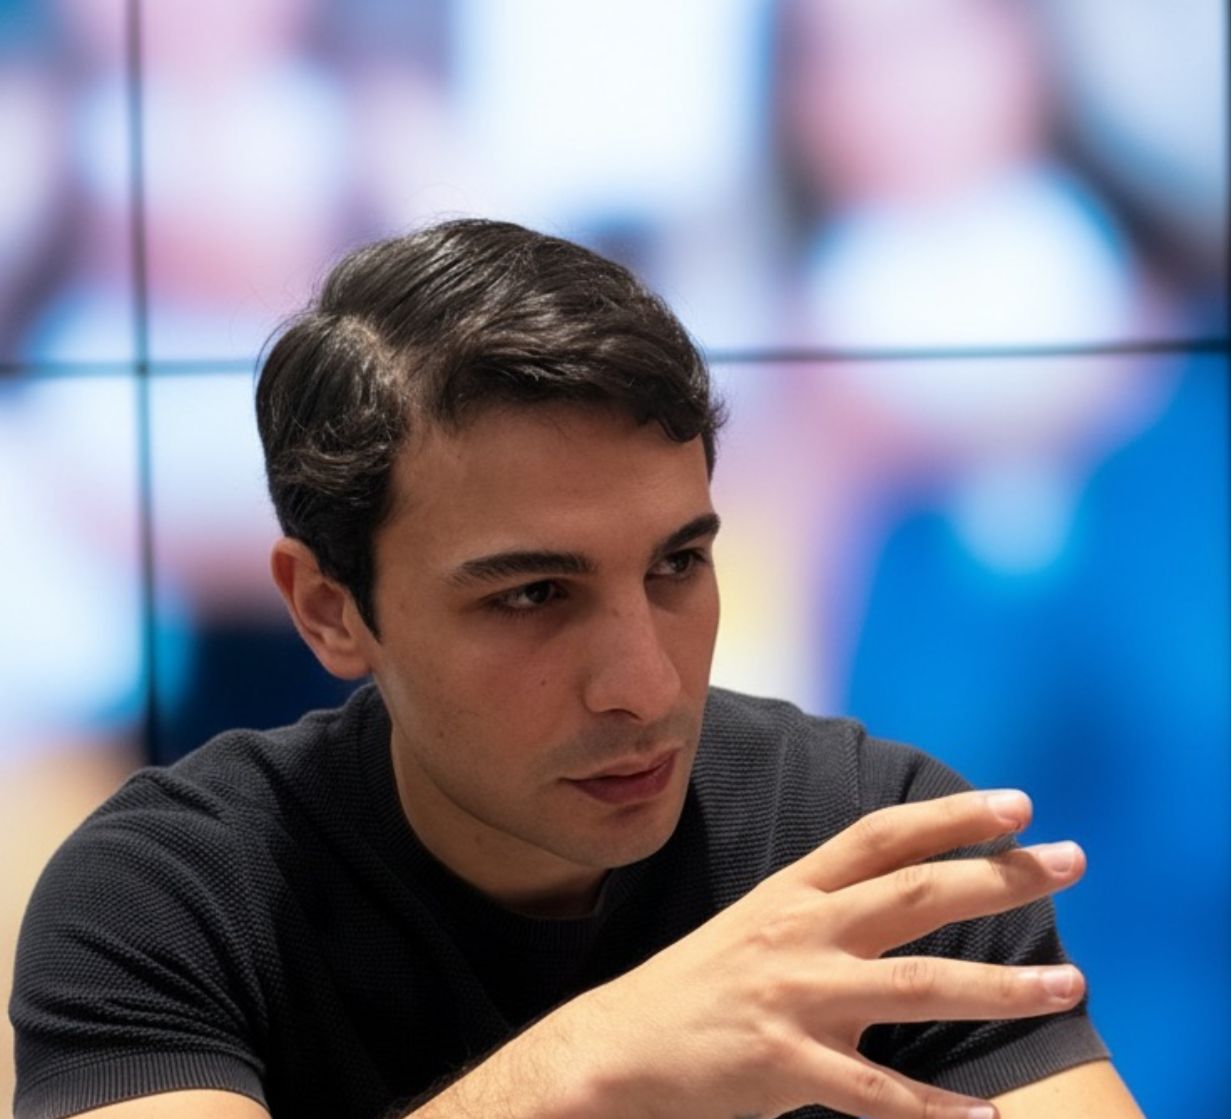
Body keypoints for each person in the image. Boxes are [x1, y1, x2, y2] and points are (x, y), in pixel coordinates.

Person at [10, 220, 1144, 1119]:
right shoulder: (173, 894)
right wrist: (590, 1069)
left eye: (677, 564)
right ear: (328, 607)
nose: (644, 687)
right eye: (533, 596)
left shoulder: (871, 843)